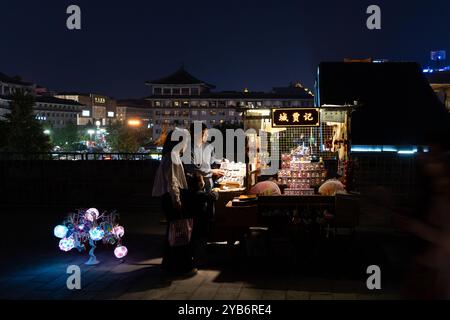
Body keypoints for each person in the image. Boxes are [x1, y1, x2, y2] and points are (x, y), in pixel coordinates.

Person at [152, 129, 197, 276]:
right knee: (179, 232)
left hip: (168, 198)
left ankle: (169, 265)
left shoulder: (170, 155)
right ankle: (181, 267)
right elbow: (173, 183)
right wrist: (177, 201)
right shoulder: (173, 157)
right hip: (172, 198)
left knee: (173, 231)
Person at [184, 172, 219, 267]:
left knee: (193, 240)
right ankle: (199, 260)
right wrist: (215, 191)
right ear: (200, 184)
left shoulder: (188, 193)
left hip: (191, 221)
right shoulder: (200, 194)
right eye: (203, 180)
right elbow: (213, 197)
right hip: (201, 221)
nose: (204, 182)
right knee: (201, 240)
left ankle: (194, 258)